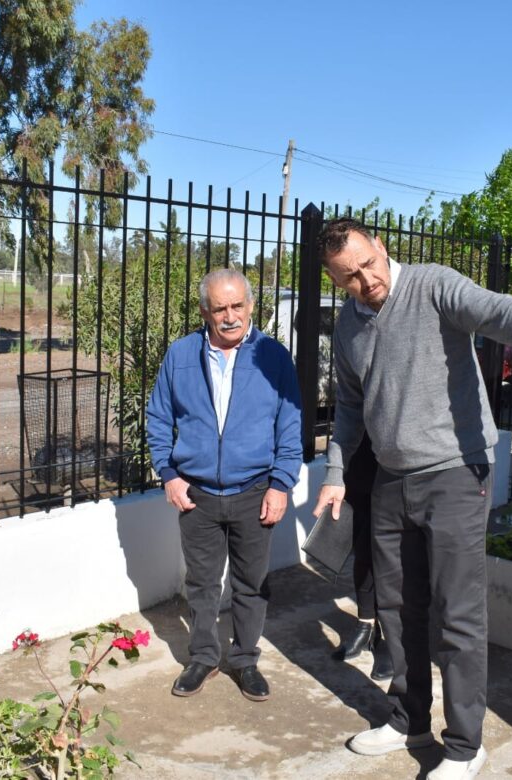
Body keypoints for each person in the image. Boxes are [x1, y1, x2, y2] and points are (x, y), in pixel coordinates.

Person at [311, 218, 512, 779]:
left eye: (368, 265)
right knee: (396, 609)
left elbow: (502, 312)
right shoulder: (349, 323)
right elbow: (349, 403)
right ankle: (407, 718)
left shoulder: (434, 286)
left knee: (459, 614)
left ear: (382, 248)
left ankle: (465, 746)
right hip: (391, 477)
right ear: (336, 281)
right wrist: (336, 472)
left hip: (454, 473)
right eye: (349, 278)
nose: (365, 281)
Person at [147, 268, 302, 702]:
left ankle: (245, 659)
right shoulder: (181, 355)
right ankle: (203, 657)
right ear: (205, 311)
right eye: (220, 308)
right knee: (201, 583)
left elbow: (289, 425)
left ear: (251, 306)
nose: (230, 316)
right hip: (197, 495)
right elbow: (158, 417)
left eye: (237, 306)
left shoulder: (274, 356)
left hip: (255, 490)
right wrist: (170, 474)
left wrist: (281, 484)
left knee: (251, 584)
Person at [330, 433, 393, 682]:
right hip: (361, 451)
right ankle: (366, 624)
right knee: (362, 547)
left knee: (392, 555)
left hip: (398, 457)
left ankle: (390, 636)